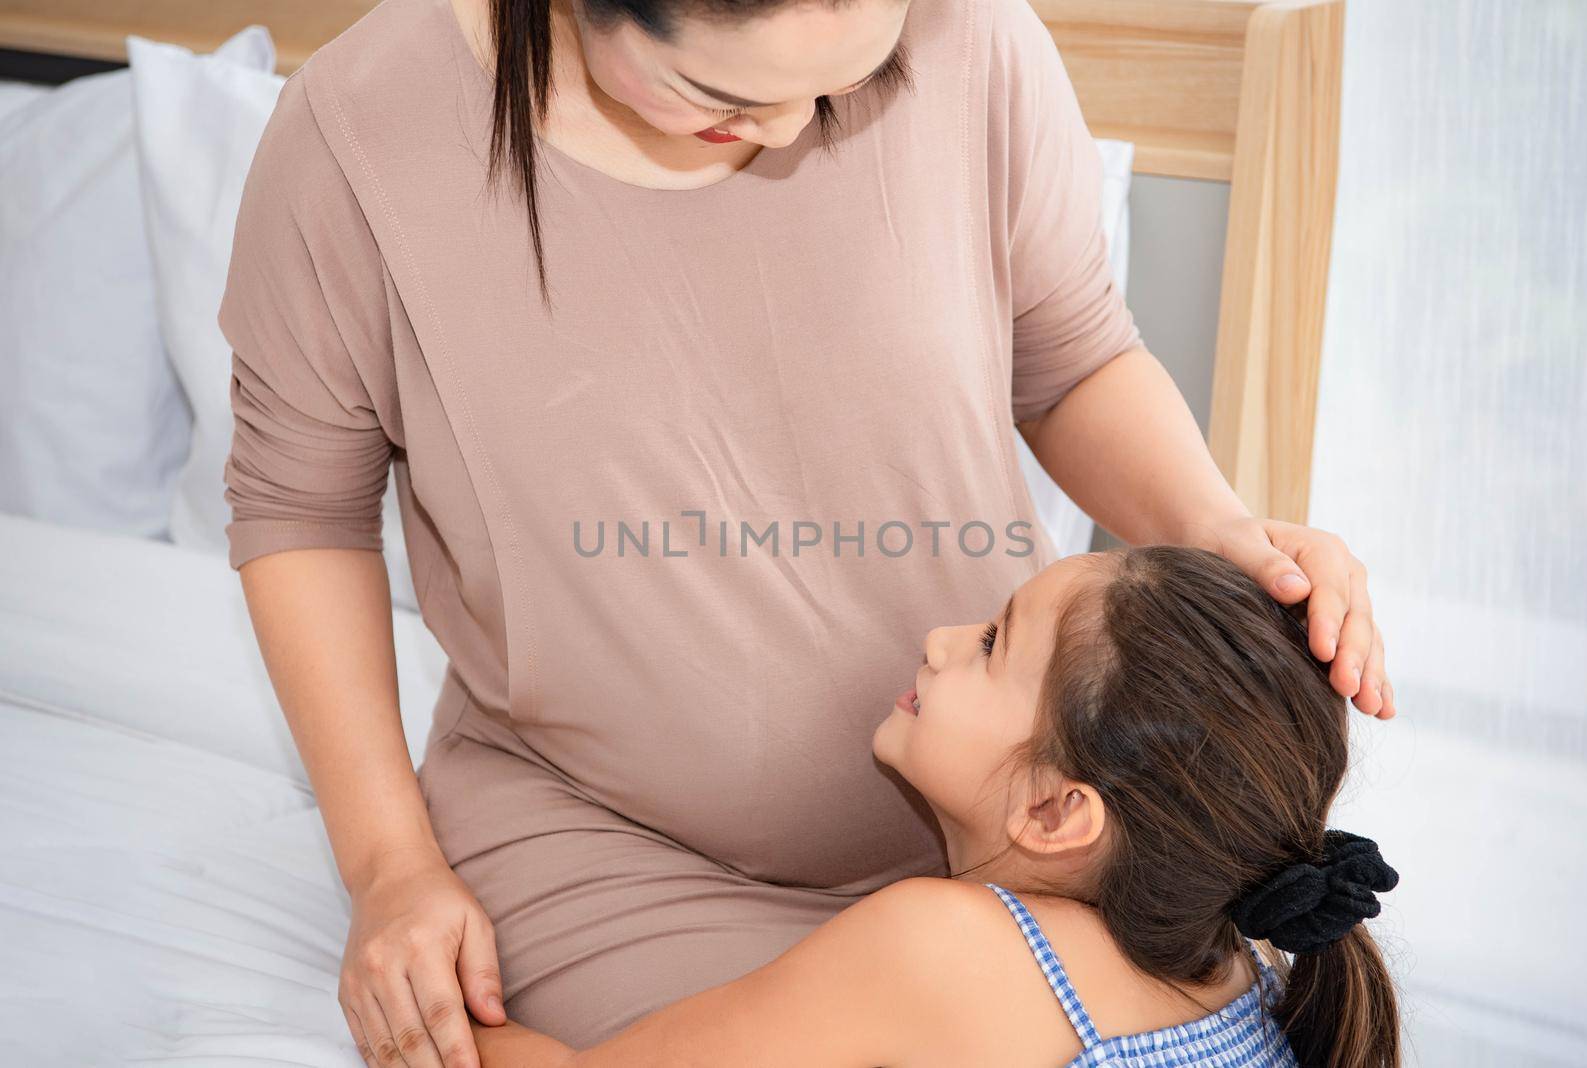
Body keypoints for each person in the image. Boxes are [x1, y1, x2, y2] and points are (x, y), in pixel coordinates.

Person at [217, 0, 1398, 1061]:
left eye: (844, 82)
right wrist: (389, 870)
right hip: (616, 855)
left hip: (1013, 848)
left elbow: (1073, 355)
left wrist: (1222, 534)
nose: (792, 133)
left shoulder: (970, 34)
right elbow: (300, 512)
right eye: (731, 98)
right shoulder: (362, 142)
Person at [463, 545, 1401, 1066]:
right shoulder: (1249, 972)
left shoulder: (944, 947)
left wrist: (440, 1029)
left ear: (1054, 812)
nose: (940, 637)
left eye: (994, 643)